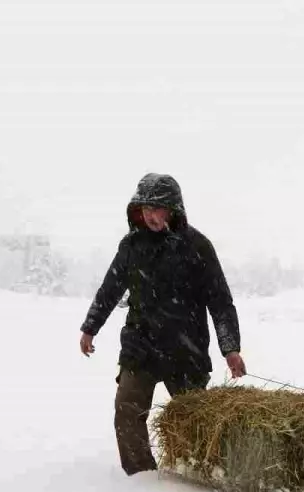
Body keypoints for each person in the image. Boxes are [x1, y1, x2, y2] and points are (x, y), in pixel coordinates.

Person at [79, 172, 247, 475]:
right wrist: (91, 327)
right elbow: (110, 289)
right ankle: (141, 477)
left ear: (173, 209)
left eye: (156, 208)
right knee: (127, 410)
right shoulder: (131, 246)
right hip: (140, 346)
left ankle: (197, 474)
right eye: (144, 208)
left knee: (194, 418)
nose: (149, 215)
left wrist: (230, 348)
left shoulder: (197, 246)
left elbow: (220, 300)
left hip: (185, 349)